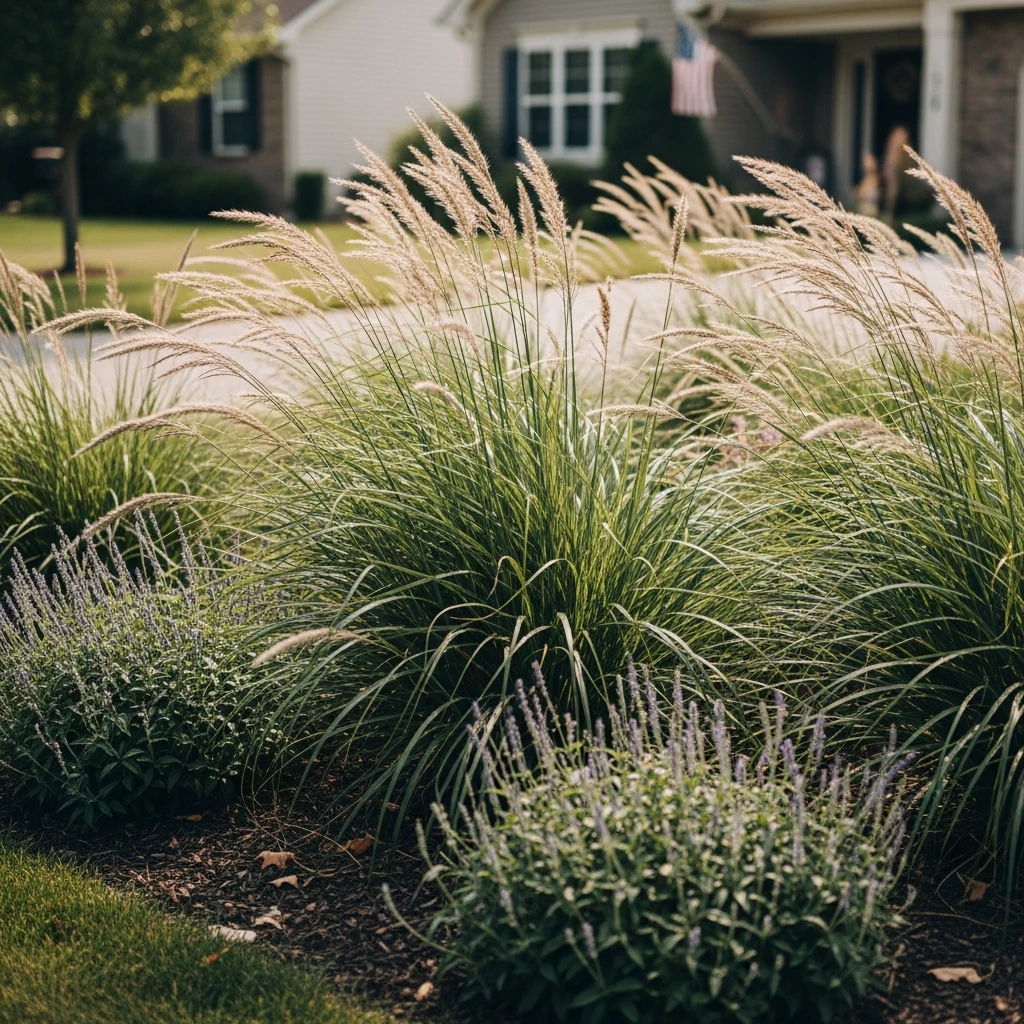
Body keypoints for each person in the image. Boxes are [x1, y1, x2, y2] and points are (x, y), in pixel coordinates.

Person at [880, 124, 911, 222]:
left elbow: (894, 188)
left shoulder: (903, 159)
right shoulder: (891, 160)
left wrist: (889, 211)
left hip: (904, 202)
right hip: (897, 202)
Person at [854, 152, 880, 217]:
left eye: (869, 162)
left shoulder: (875, 179)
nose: (866, 164)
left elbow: (869, 195)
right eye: (865, 162)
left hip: (870, 210)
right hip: (863, 209)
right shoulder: (864, 179)